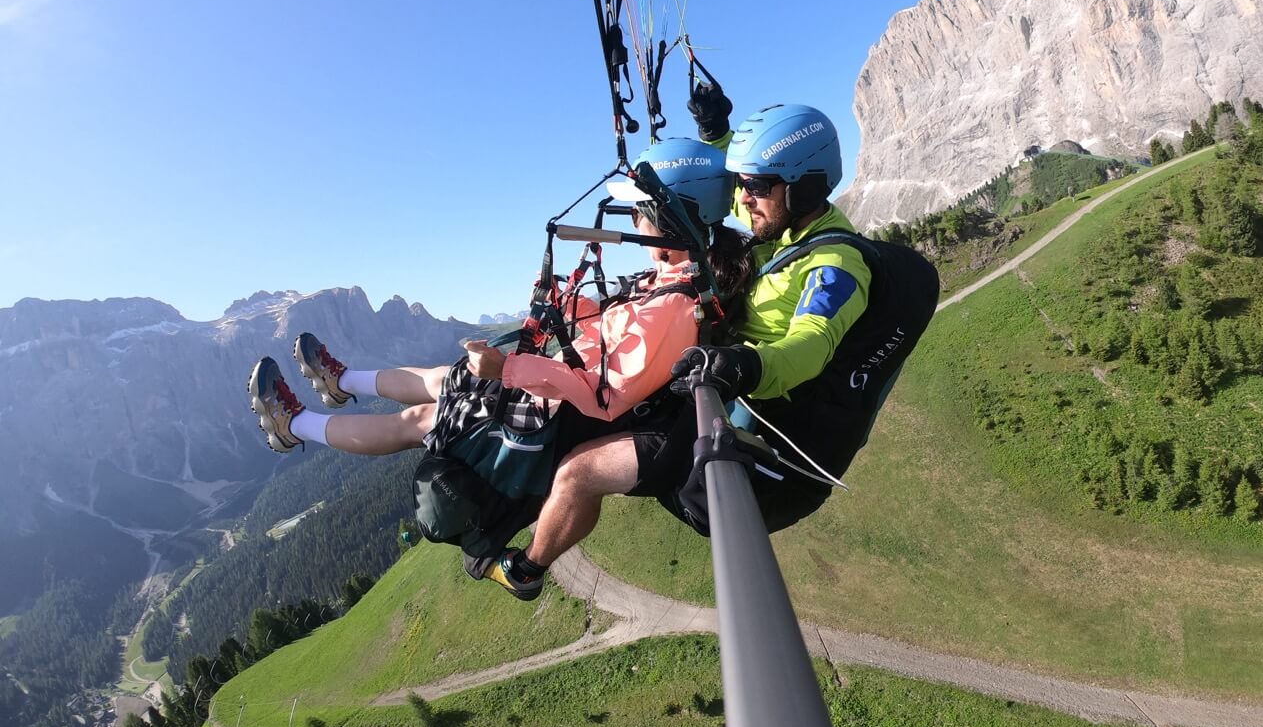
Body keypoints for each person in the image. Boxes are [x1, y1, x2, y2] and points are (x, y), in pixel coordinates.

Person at [244, 138, 751, 596]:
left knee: (419, 420)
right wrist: (561, 303)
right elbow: (612, 326)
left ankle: (296, 426)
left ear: (670, 220)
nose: (633, 217)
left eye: (641, 208)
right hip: (554, 394)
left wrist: (506, 370)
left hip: (563, 417)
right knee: (445, 378)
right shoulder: (671, 278)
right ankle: (341, 382)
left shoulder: (674, 307)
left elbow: (605, 396)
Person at [486, 102, 884, 600]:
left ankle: (525, 571)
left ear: (803, 186)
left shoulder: (835, 265)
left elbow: (811, 343)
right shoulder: (777, 219)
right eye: (743, 183)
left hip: (745, 417)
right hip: (702, 377)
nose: (744, 197)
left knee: (579, 471)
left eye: (757, 186)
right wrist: (716, 133)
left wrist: (748, 363)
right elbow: (716, 197)